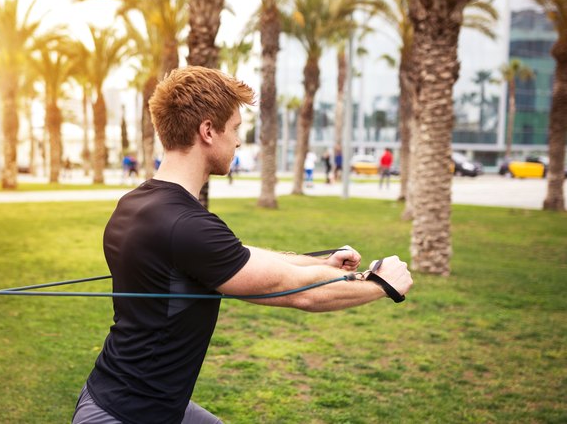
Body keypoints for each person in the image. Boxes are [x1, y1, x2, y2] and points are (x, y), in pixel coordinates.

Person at [72, 66, 413, 424]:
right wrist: (381, 285)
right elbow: (299, 294)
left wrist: (322, 264)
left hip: (133, 397)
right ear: (207, 131)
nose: (237, 141)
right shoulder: (186, 225)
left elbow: (237, 258)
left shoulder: (138, 203)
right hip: (128, 414)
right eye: (234, 129)